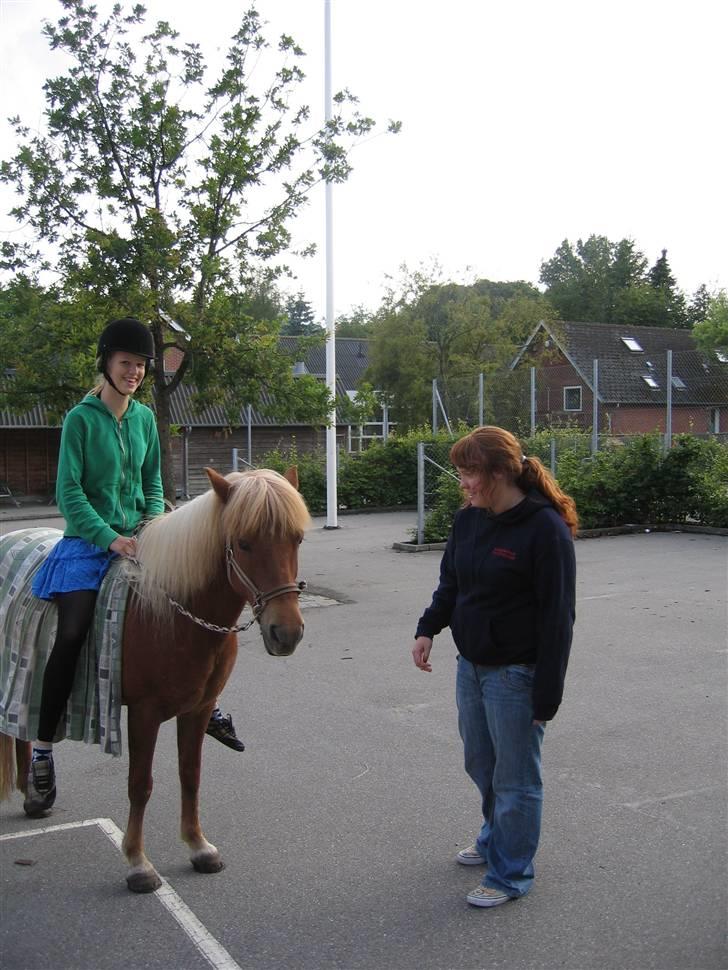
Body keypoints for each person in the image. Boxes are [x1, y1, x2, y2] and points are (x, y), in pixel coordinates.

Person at [25, 317, 245, 818]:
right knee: (73, 630)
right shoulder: (80, 420)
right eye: (126, 363)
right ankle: (42, 747)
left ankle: (202, 700)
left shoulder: (145, 420)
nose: (134, 373)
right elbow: (70, 493)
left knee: (193, 602)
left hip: (143, 537)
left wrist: (150, 526)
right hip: (89, 543)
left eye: (141, 365)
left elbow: (152, 483)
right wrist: (111, 538)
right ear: (106, 362)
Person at [411, 426, 577, 908]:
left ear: (500, 473)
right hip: (472, 667)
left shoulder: (544, 530)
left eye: (468, 474)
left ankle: (510, 873)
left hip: (517, 675)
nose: (461, 483)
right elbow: (451, 584)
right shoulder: (470, 520)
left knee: (516, 780)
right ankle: (493, 837)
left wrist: (547, 695)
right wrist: (428, 629)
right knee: (481, 763)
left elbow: (558, 618)